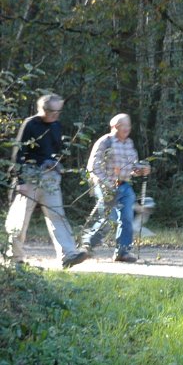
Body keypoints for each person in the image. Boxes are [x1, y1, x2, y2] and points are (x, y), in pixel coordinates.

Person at [4, 94, 87, 268]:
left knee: (57, 215)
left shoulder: (56, 125)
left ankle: (68, 255)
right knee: (20, 219)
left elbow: (56, 151)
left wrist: (57, 166)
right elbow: (19, 152)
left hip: (50, 178)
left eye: (59, 111)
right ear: (42, 109)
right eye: (52, 111)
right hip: (29, 176)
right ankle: (14, 259)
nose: (56, 114)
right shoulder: (30, 124)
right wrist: (20, 181)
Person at [81, 113, 152, 263]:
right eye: (123, 125)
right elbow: (93, 166)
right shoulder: (105, 142)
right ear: (114, 126)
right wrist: (106, 183)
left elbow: (132, 167)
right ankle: (87, 245)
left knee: (127, 218)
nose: (127, 128)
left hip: (124, 185)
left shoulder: (129, 143)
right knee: (108, 218)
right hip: (105, 185)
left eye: (128, 125)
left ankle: (122, 252)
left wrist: (141, 170)